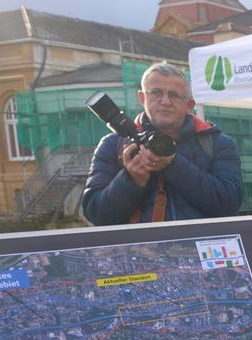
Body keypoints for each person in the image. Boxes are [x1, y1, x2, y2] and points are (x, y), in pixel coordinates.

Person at [82, 63, 243, 224]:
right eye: (156, 93)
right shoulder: (112, 144)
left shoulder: (217, 143)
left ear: (189, 105)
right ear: (142, 98)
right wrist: (131, 181)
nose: (165, 101)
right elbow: (96, 214)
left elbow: (229, 203)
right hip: (139, 249)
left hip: (198, 247)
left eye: (174, 95)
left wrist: (173, 164)